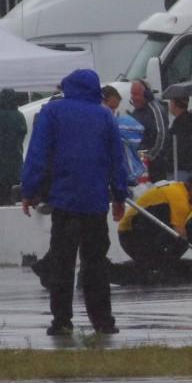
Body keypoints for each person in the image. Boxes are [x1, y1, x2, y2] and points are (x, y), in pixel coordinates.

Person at [21, 69, 128, 336]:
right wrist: (119, 195)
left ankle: (62, 321)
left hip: (65, 202)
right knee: (95, 263)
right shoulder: (105, 115)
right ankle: (103, 321)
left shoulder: (53, 112)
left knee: (62, 263)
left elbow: (38, 153)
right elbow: (118, 158)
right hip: (95, 203)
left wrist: (29, 190)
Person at [115, 174, 192, 283]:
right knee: (182, 241)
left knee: (175, 239)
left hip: (131, 233)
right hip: (132, 235)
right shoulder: (179, 198)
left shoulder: (175, 188)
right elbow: (180, 233)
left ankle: (152, 267)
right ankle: (160, 269)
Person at [129, 79, 167, 182]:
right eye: (132, 94)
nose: (133, 97)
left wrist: (150, 156)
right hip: (139, 167)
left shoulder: (155, 110)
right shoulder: (136, 112)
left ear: (147, 94)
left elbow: (161, 135)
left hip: (155, 167)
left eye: (136, 94)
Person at [163, 97, 192, 181]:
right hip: (187, 166)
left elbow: (178, 146)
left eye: (170, 101)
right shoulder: (190, 119)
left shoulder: (181, 123)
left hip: (179, 168)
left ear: (174, 104)